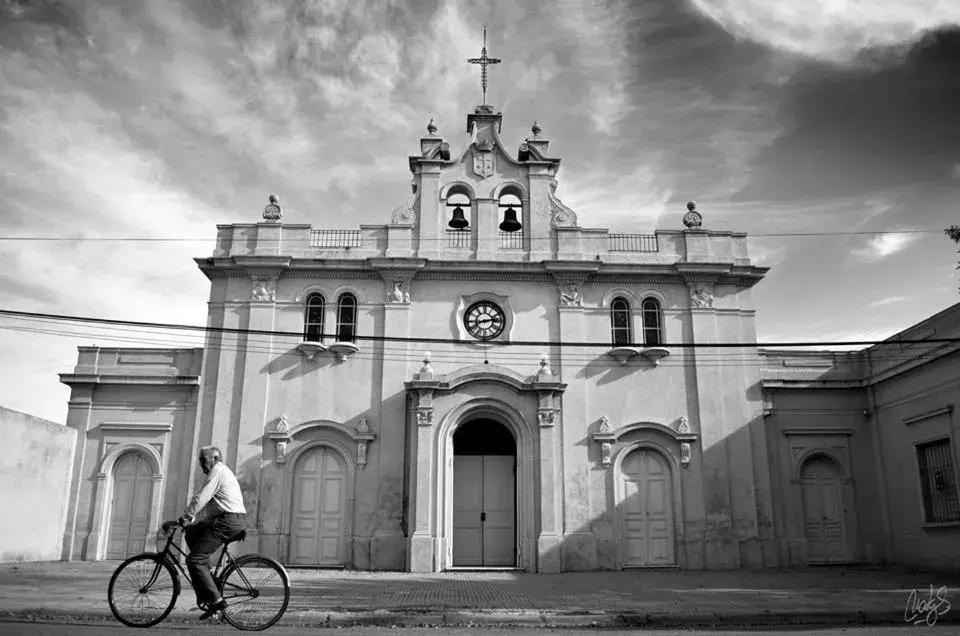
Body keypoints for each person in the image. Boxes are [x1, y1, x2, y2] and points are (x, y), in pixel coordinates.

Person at [176, 446, 247, 620]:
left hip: (227, 522)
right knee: (191, 534)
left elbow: (201, 497)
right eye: (200, 461)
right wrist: (192, 522)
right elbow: (211, 507)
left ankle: (216, 600)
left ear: (215, 458)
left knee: (194, 560)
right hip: (225, 519)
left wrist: (187, 515)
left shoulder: (218, 470)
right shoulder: (220, 472)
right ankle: (207, 583)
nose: (201, 464)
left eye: (203, 460)